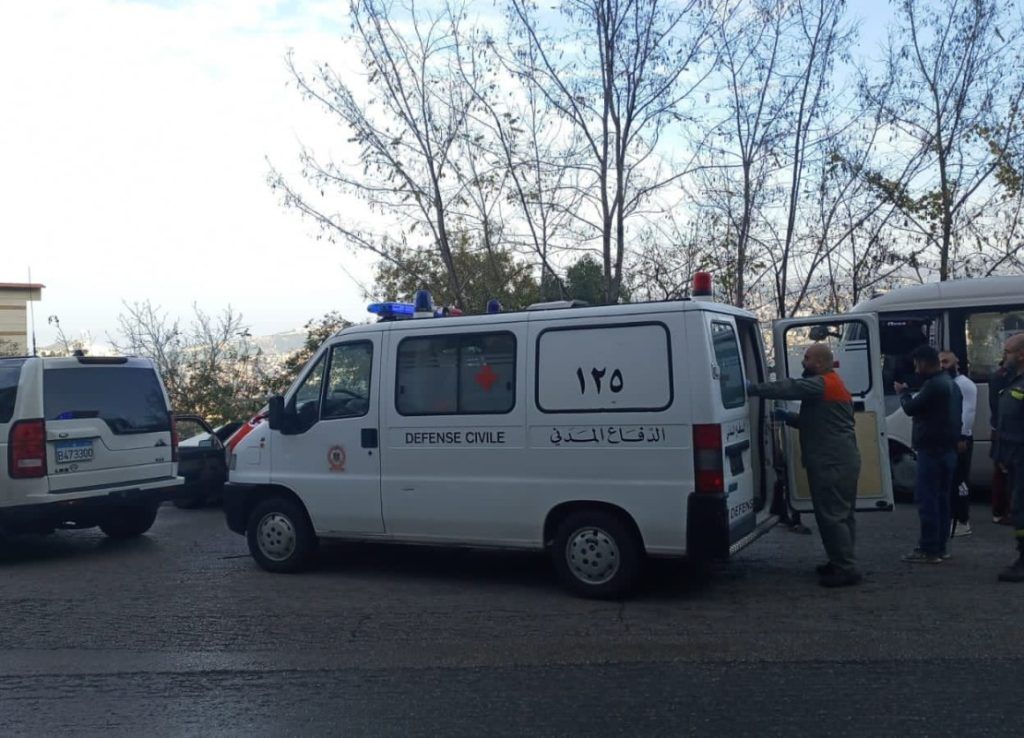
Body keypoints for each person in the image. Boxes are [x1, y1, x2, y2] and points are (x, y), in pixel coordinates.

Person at [747, 343, 862, 588]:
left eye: (807, 358)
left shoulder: (821, 384)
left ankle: (845, 568)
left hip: (831, 462)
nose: (803, 362)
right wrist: (788, 418)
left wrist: (753, 389)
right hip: (840, 460)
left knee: (832, 516)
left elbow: (789, 387)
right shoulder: (833, 384)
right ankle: (840, 561)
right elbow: (817, 421)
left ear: (819, 363)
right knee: (841, 515)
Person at [895, 345, 962, 564]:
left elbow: (910, 408)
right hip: (948, 449)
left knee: (927, 499)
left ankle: (928, 548)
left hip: (931, 450)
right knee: (942, 499)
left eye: (917, 364)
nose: (916, 369)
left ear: (924, 363)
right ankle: (941, 547)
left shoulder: (934, 385)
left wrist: (903, 393)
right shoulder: (951, 384)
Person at [995, 334, 1024, 582]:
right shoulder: (1013, 382)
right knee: (1017, 508)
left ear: (1021, 355)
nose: (1004, 357)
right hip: (1014, 457)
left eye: (1007, 352)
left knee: (1020, 509)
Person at [939, 351, 977, 536]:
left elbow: (968, 412)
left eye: (946, 361)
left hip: (961, 439)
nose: (942, 365)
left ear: (957, 362)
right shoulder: (946, 383)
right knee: (950, 481)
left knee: (960, 481)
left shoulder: (965, 384)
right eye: (940, 362)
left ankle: (962, 521)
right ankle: (952, 519)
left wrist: (962, 437)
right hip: (949, 438)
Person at [990, 357, 1012, 524]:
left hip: (1004, 431)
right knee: (1002, 472)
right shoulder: (1000, 377)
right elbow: (998, 407)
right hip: (1003, 432)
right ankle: (1000, 511)